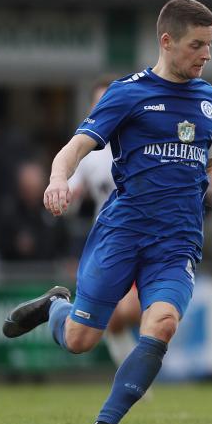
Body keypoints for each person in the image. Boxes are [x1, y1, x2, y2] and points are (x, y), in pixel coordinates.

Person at [2, 0, 212, 424]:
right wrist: (58, 179)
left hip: (177, 242)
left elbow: (207, 164)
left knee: (163, 323)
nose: (206, 55)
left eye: (210, 46)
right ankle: (55, 307)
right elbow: (73, 149)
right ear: (167, 41)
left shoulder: (210, 100)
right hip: (123, 232)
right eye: (197, 45)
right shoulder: (128, 93)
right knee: (80, 339)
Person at [68, 76, 144, 372]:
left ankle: (136, 366)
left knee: (132, 309)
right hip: (108, 237)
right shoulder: (90, 154)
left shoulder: (139, 141)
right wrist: (65, 194)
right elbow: (74, 187)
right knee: (106, 321)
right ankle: (132, 376)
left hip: (141, 235)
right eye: (98, 103)